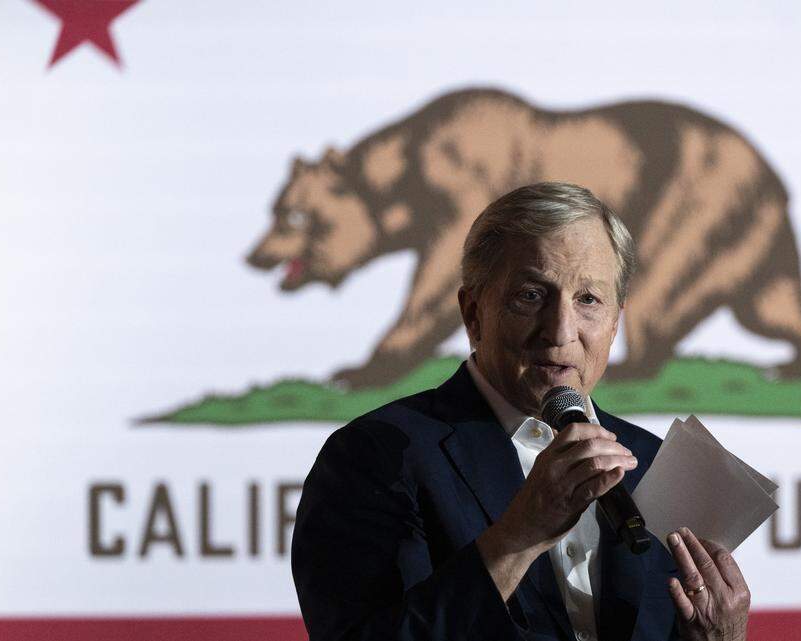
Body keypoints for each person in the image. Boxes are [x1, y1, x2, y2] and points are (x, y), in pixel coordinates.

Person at [291, 182, 751, 641]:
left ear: (616, 322)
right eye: (531, 296)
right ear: (474, 313)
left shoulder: (651, 465)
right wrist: (518, 536)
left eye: (588, 299)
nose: (560, 331)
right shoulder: (376, 457)